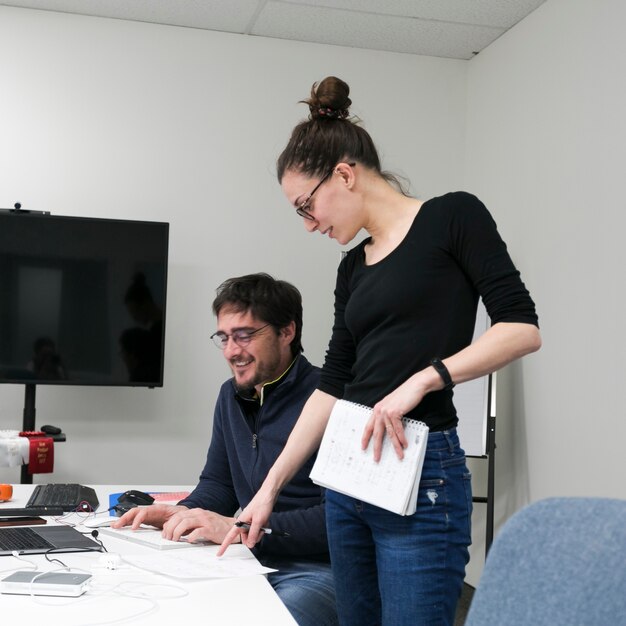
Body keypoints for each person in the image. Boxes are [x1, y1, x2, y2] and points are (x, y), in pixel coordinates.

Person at [218, 77, 542, 626]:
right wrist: (267, 491)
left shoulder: (452, 217)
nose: (309, 223)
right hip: (348, 469)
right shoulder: (352, 265)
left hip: (420, 465)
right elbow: (334, 381)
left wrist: (425, 379)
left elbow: (521, 327)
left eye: (307, 205)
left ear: (344, 174)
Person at [113, 273, 337, 626]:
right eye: (224, 338)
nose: (232, 351)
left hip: (317, 570)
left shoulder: (331, 400)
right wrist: (178, 513)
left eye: (245, 336)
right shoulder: (229, 395)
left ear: (287, 332)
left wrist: (241, 528)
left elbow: (338, 520)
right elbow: (220, 484)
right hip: (243, 558)